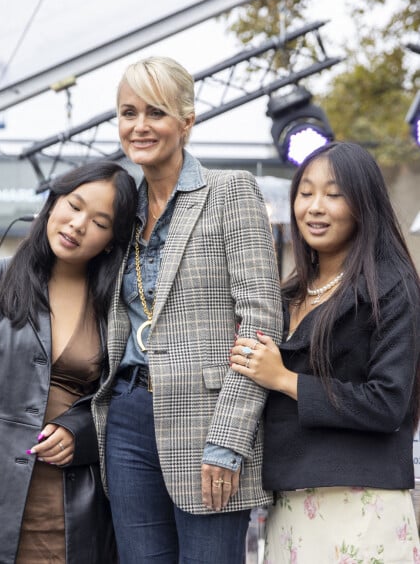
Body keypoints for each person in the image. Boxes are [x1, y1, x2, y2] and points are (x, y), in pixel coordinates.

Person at [91, 56, 283, 563]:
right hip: (128, 416)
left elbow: (261, 321)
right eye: (128, 112)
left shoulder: (230, 191)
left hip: (207, 421)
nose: (140, 125)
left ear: (187, 121)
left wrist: (228, 440)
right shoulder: (121, 209)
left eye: (156, 112)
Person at [0, 160, 138, 564]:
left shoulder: (117, 306)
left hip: (81, 513)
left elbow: (127, 401)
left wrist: (82, 432)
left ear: (112, 240)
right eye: (74, 205)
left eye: (100, 222)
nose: (77, 224)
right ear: (53, 203)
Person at [231, 141, 420, 563]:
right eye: (306, 192)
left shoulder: (391, 286)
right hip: (288, 502)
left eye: (334, 195)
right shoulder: (287, 292)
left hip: (361, 503)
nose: (315, 207)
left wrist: (284, 379)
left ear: (363, 205)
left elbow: (388, 402)